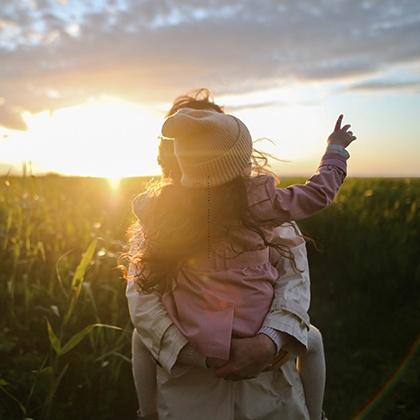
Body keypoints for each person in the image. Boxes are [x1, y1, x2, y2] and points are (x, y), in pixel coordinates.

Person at [125, 90, 356, 419]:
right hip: (187, 387)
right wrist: (195, 354)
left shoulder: (161, 211)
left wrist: (268, 342)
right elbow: (143, 299)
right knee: (313, 339)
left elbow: (294, 281)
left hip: (270, 386)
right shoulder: (263, 205)